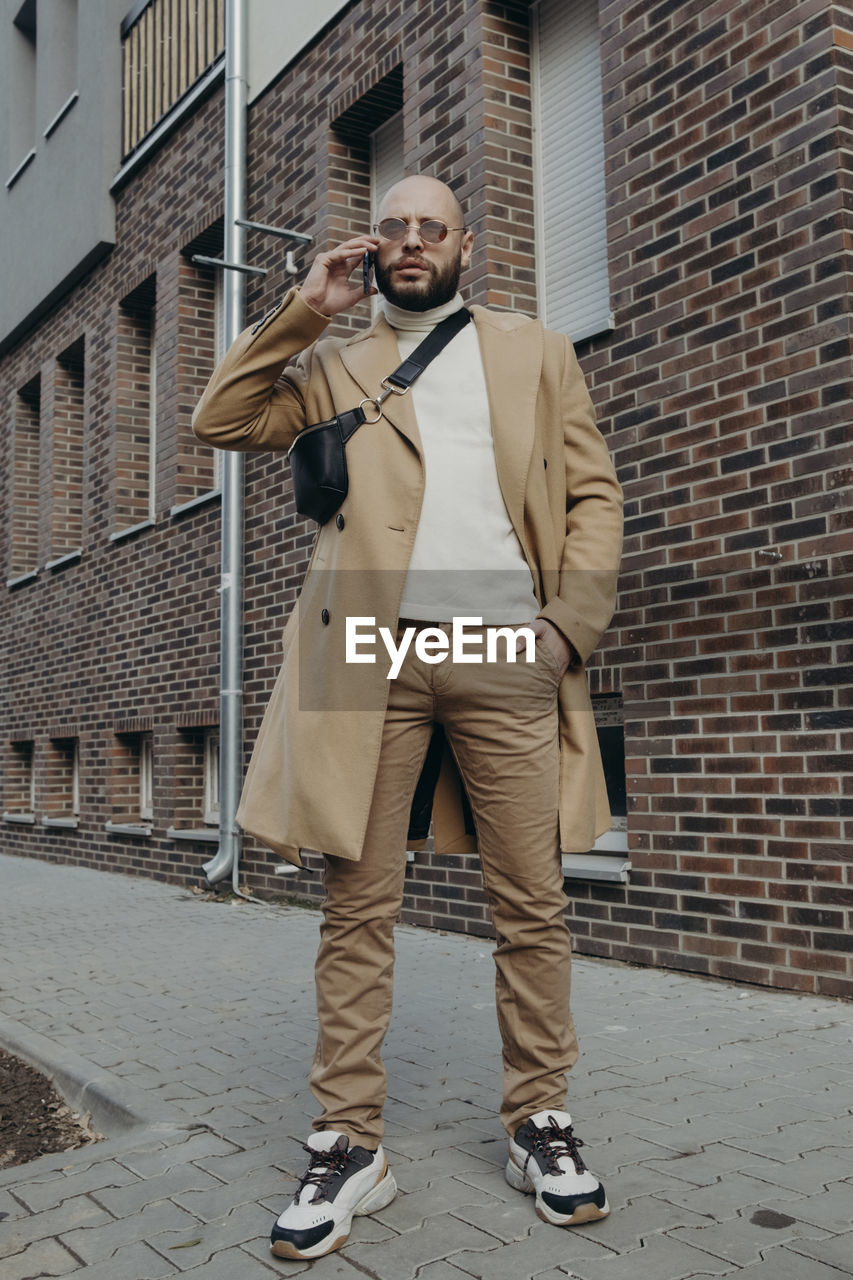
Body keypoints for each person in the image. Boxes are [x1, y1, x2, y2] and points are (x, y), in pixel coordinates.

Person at [193, 174, 623, 1262]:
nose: (412, 240)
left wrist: (566, 624)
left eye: (432, 226)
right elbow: (222, 417)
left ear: (465, 244)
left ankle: (538, 1116)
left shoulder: (534, 350)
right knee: (357, 898)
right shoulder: (334, 354)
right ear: (370, 243)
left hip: (501, 644)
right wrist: (305, 307)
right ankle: (349, 1140)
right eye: (393, 225)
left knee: (530, 896)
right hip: (366, 646)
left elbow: (591, 493)